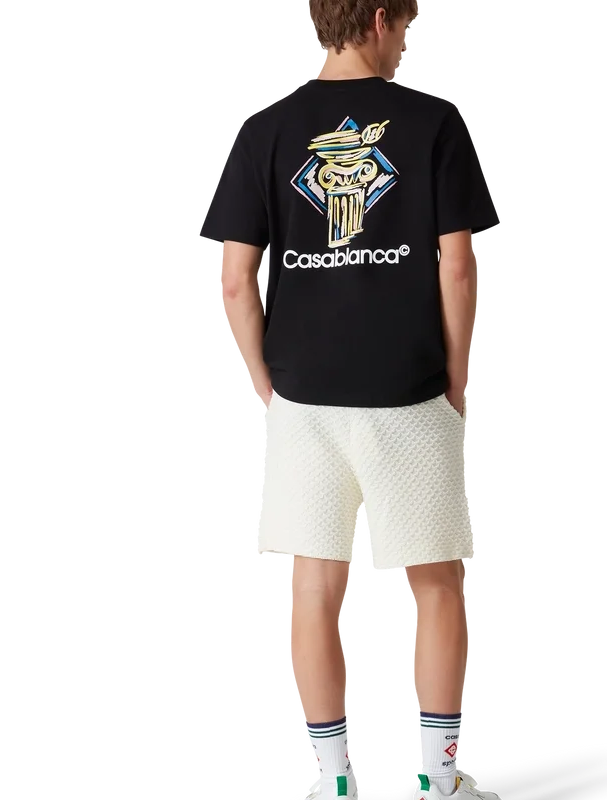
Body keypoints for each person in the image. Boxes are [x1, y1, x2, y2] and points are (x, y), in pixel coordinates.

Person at [200, 2, 502, 797]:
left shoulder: (266, 130)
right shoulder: (433, 125)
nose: (405, 43)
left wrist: (263, 380)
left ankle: (331, 782)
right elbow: (457, 266)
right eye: (404, 26)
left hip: (305, 394)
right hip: (409, 388)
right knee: (435, 581)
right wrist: (456, 375)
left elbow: (234, 278)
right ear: (376, 20)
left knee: (313, 585)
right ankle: (441, 780)